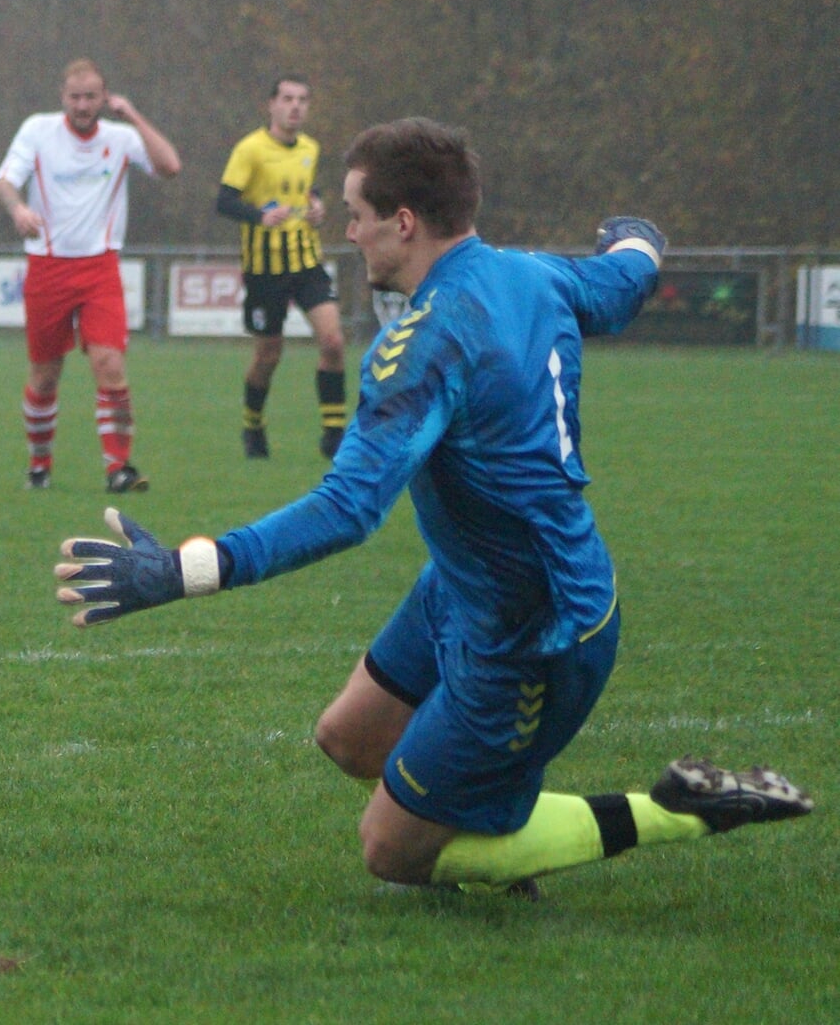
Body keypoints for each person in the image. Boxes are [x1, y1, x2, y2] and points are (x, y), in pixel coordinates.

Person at [55, 118, 811, 895]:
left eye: (356, 215)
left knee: (390, 852)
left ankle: (678, 809)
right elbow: (622, 283)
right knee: (347, 739)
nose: (348, 232)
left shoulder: (425, 342)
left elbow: (347, 509)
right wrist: (638, 240)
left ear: (404, 222)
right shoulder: (534, 275)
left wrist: (188, 570)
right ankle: (474, 820)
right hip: (464, 584)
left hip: (532, 624)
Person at [0, 59, 180, 493]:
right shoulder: (38, 130)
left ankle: (119, 467)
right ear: (63, 97)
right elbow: (5, 181)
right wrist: (18, 208)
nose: (82, 105)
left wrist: (132, 115)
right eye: (75, 97)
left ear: (104, 97)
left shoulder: (121, 137)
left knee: (110, 365)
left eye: (91, 97)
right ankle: (39, 466)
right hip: (48, 267)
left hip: (100, 268)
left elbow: (171, 166)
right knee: (45, 375)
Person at [216, 76, 347, 460]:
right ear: (271, 104)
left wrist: (317, 205)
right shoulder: (250, 149)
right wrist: (260, 216)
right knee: (268, 356)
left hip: (307, 262)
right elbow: (224, 201)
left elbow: (307, 188)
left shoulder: (310, 148)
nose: (295, 106)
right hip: (264, 269)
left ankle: (334, 435)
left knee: (333, 342)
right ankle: (253, 425)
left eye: (302, 100)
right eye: (288, 99)